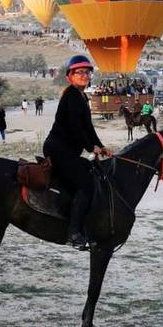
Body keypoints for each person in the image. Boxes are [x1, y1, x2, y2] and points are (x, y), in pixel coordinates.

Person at [43, 54, 111, 249]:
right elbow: (75, 128)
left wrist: (101, 146)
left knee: (91, 173)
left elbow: (88, 128)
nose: (84, 75)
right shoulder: (71, 95)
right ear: (69, 76)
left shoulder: (82, 97)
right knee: (85, 185)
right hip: (58, 149)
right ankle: (74, 233)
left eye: (86, 72)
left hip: (68, 151)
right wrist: (91, 147)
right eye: (79, 72)